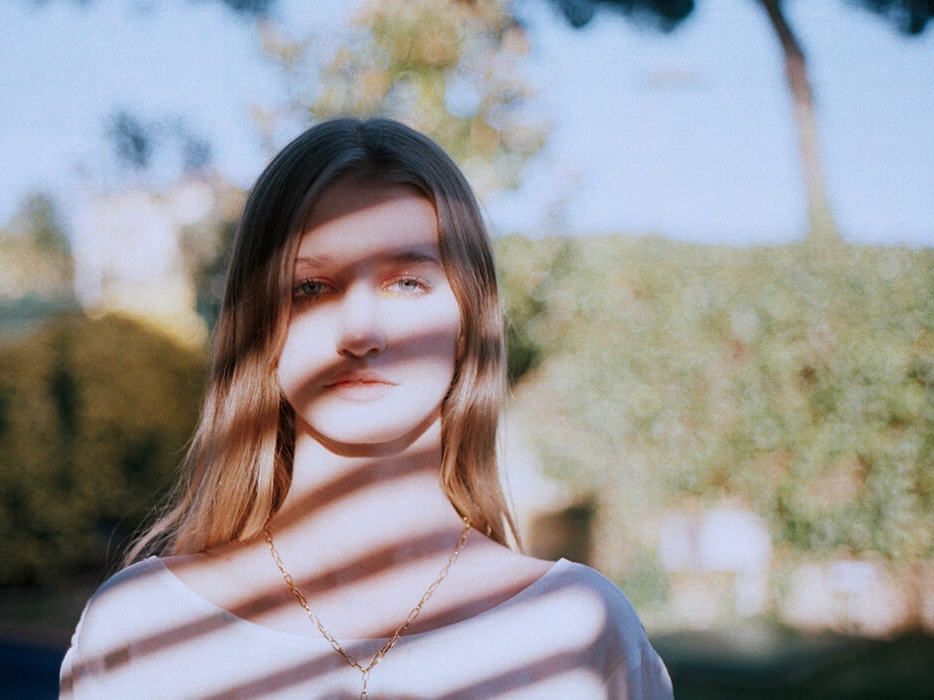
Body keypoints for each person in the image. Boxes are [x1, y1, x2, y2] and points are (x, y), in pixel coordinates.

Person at [59, 118, 673, 699]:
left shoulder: (580, 630)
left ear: (468, 321)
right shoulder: (142, 626)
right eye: (311, 287)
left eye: (407, 282)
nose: (360, 332)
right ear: (258, 325)